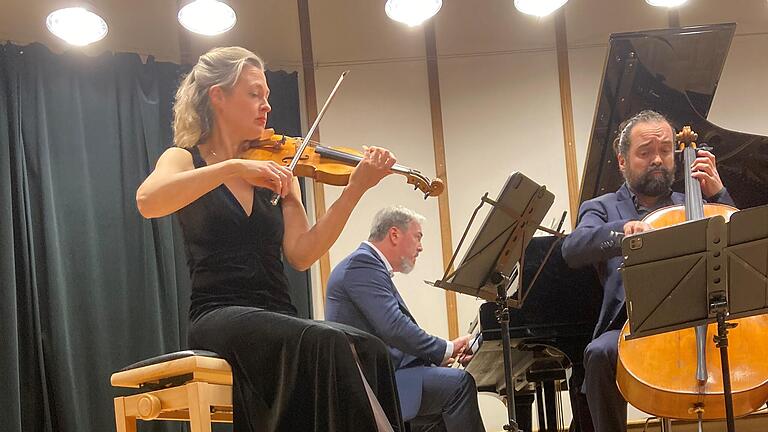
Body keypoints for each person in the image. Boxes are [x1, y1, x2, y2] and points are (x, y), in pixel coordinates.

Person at [135, 46, 405, 432]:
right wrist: (231, 166)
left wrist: (355, 189)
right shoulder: (183, 159)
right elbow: (148, 201)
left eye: (267, 96)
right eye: (254, 94)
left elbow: (301, 253)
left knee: (372, 350)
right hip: (218, 314)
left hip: (278, 313)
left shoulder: (278, 170)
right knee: (324, 342)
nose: (266, 106)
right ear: (219, 96)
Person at [561, 110, 735, 432]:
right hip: (633, 327)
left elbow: (736, 243)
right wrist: (621, 231)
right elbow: (573, 248)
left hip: (700, 321)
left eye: (666, 151)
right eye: (645, 152)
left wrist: (718, 195)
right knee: (599, 353)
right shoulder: (603, 207)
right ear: (622, 161)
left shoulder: (695, 203)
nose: (658, 159)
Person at [325, 205, 486, 432]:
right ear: (394, 234)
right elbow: (394, 327)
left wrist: (441, 353)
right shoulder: (362, 265)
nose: (420, 247)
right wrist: (445, 349)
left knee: (443, 406)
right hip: (372, 386)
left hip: (385, 377)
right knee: (459, 385)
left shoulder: (367, 265)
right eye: (417, 237)